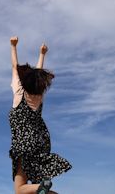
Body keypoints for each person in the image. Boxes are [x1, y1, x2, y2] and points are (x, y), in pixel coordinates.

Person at [8, 36, 71, 194]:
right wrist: (42, 54)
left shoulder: (19, 92)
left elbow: (15, 67)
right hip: (40, 143)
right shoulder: (38, 96)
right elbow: (37, 74)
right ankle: (45, 189)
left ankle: (41, 186)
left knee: (20, 189)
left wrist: (13, 46)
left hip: (24, 144)